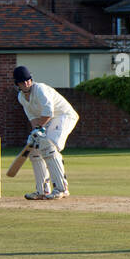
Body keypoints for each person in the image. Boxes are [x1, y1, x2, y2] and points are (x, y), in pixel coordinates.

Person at [13, 66, 78, 200]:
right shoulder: (21, 97)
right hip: (48, 120)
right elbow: (33, 118)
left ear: (31, 79)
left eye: (28, 80)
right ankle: (42, 190)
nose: (26, 83)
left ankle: (61, 188)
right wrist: (35, 132)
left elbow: (49, 112)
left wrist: (39, 129)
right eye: (22, 82)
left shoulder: (40, 89)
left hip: (64, 116)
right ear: (17, 84)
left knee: (49, 146)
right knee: (35, 150)